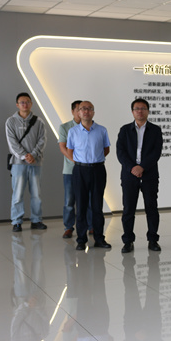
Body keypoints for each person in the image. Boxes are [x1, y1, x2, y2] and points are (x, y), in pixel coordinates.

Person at [116, 99, 163, 254]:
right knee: (128, 209)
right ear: (132, 112)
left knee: (151, 207)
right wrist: (132, 168)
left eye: (143, 108)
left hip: (149, 174)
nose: (140, 111)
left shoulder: (155, 130)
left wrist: (142, 167)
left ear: (148, 111)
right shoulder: (124, 130)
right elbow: (120, 152)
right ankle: (128, 241)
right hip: (129, 175)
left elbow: (156, 152)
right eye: (137, 108)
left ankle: (153, 239)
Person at [66, 101, 111, 250]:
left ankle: (99, 238)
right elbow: (70, 151)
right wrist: (83, 162)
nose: (86, 111)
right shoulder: (73, 131)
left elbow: (106, 149)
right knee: (81, 206)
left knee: (97, 206)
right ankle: (81, 240)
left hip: (98, 170)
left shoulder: (102, 130)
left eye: (89, 109)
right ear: (78, 112)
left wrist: (94, 160)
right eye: (83, 109)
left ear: (93, 112)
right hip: (80, 171)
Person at [6, 92, 47, 232]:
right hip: (18, 163)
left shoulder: (39, 121)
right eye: (22, 102)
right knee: (17, 194)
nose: (25, 104)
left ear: (31, 104)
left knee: (36, 193)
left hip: (35, 163)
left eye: (27, 102)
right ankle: (16, 221)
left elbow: (42, 140)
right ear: (17, 104)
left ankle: (36, 220)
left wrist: (33, 155)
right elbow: (12, 142)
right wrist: (24, 156)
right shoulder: (11, 121)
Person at [58, 100, 91, 239]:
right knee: (69, 201)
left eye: (84, 109)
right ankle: (68, 227)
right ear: (73, 112)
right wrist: (75, 160)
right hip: (70, 170)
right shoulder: (65, 127)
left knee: (89, 199)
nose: (81, 112)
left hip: (88, 169)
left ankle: (91, 226)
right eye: (78, 109)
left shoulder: (91, 126)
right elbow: (63, 147)